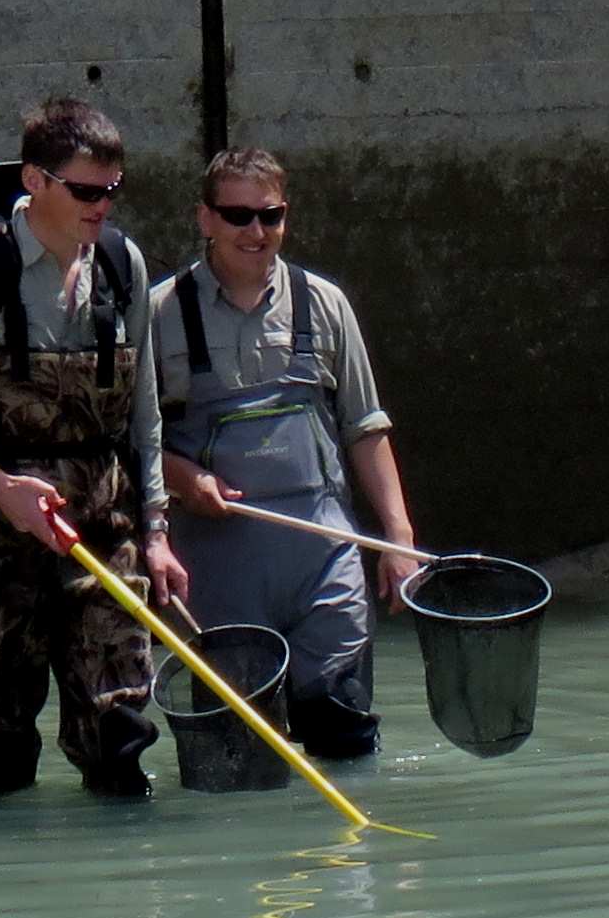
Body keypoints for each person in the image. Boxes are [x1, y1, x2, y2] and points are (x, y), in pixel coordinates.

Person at [0, 97, 187, 798]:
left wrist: (159, 532)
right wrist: (2, 490)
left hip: (105, 542)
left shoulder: (122, 265)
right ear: (35, 180)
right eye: (85, 190)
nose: (101, 206)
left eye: (112, 190)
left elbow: (142, 414)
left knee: (120, 743)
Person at [153, 146, 415, 759]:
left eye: (269, 216)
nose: (255, 231)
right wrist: (182, 475)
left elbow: (366, 428)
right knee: (239, 755)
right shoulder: (159, 312)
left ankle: (349, 856)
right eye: (238, 215)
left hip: (324, 560)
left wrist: (398, 538)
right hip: (218, 571)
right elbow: (130, 441)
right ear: (205, 218)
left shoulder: (325, 303)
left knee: (344, 736)